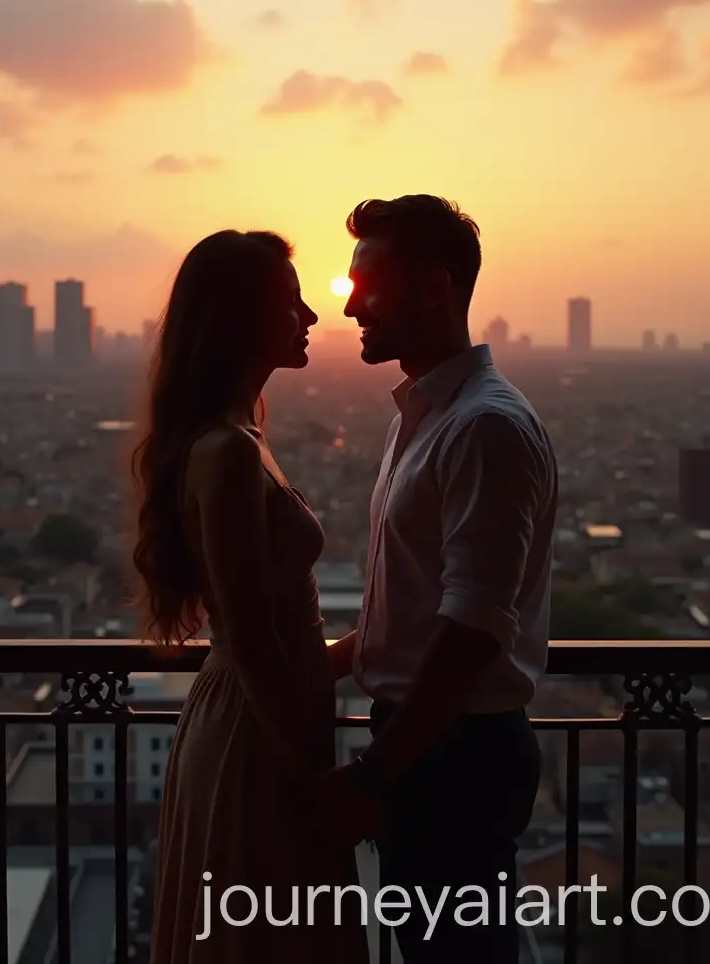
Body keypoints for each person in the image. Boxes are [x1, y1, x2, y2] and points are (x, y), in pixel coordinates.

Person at [317, 195, 558, 961]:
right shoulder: (424, 419)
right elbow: (426, 610)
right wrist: (325, 662)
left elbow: (473, 629)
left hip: (452, 758)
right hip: (435, 747)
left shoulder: (482, 426)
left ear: (436, 288)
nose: (349, 303)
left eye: (369, 282)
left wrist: (375, 776)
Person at [134, 230, 369, 963]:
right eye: (289, 300)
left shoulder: (242, 434)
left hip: (257, 719)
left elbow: (272, 633)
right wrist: (310, 773)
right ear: (240, 318)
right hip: (259, 734)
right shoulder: (230, 450)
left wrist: (361, 648)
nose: (310, 314)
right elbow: (250, 635)